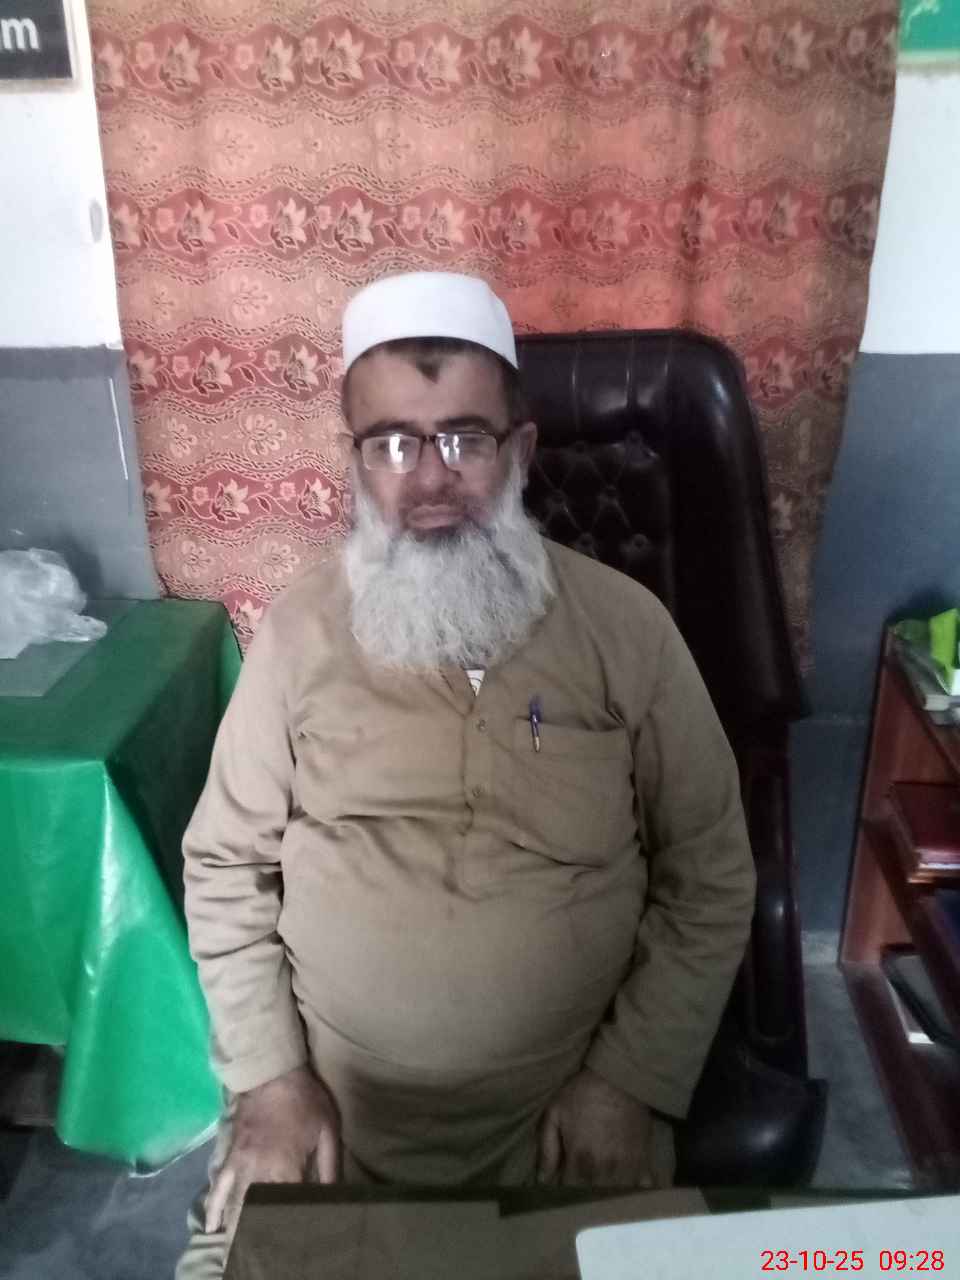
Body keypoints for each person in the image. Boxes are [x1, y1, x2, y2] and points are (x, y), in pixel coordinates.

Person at [176, 271, 756, 1278]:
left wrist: (631, 1080)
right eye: (393, 442)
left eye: (464, 439)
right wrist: (269, 1079)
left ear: (519, 451)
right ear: (356, 462)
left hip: (566, 1125)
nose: (430, 479)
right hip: (331, 1122)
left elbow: (710, 876)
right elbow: (225, 865)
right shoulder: (301, 632)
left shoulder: (628, 630)